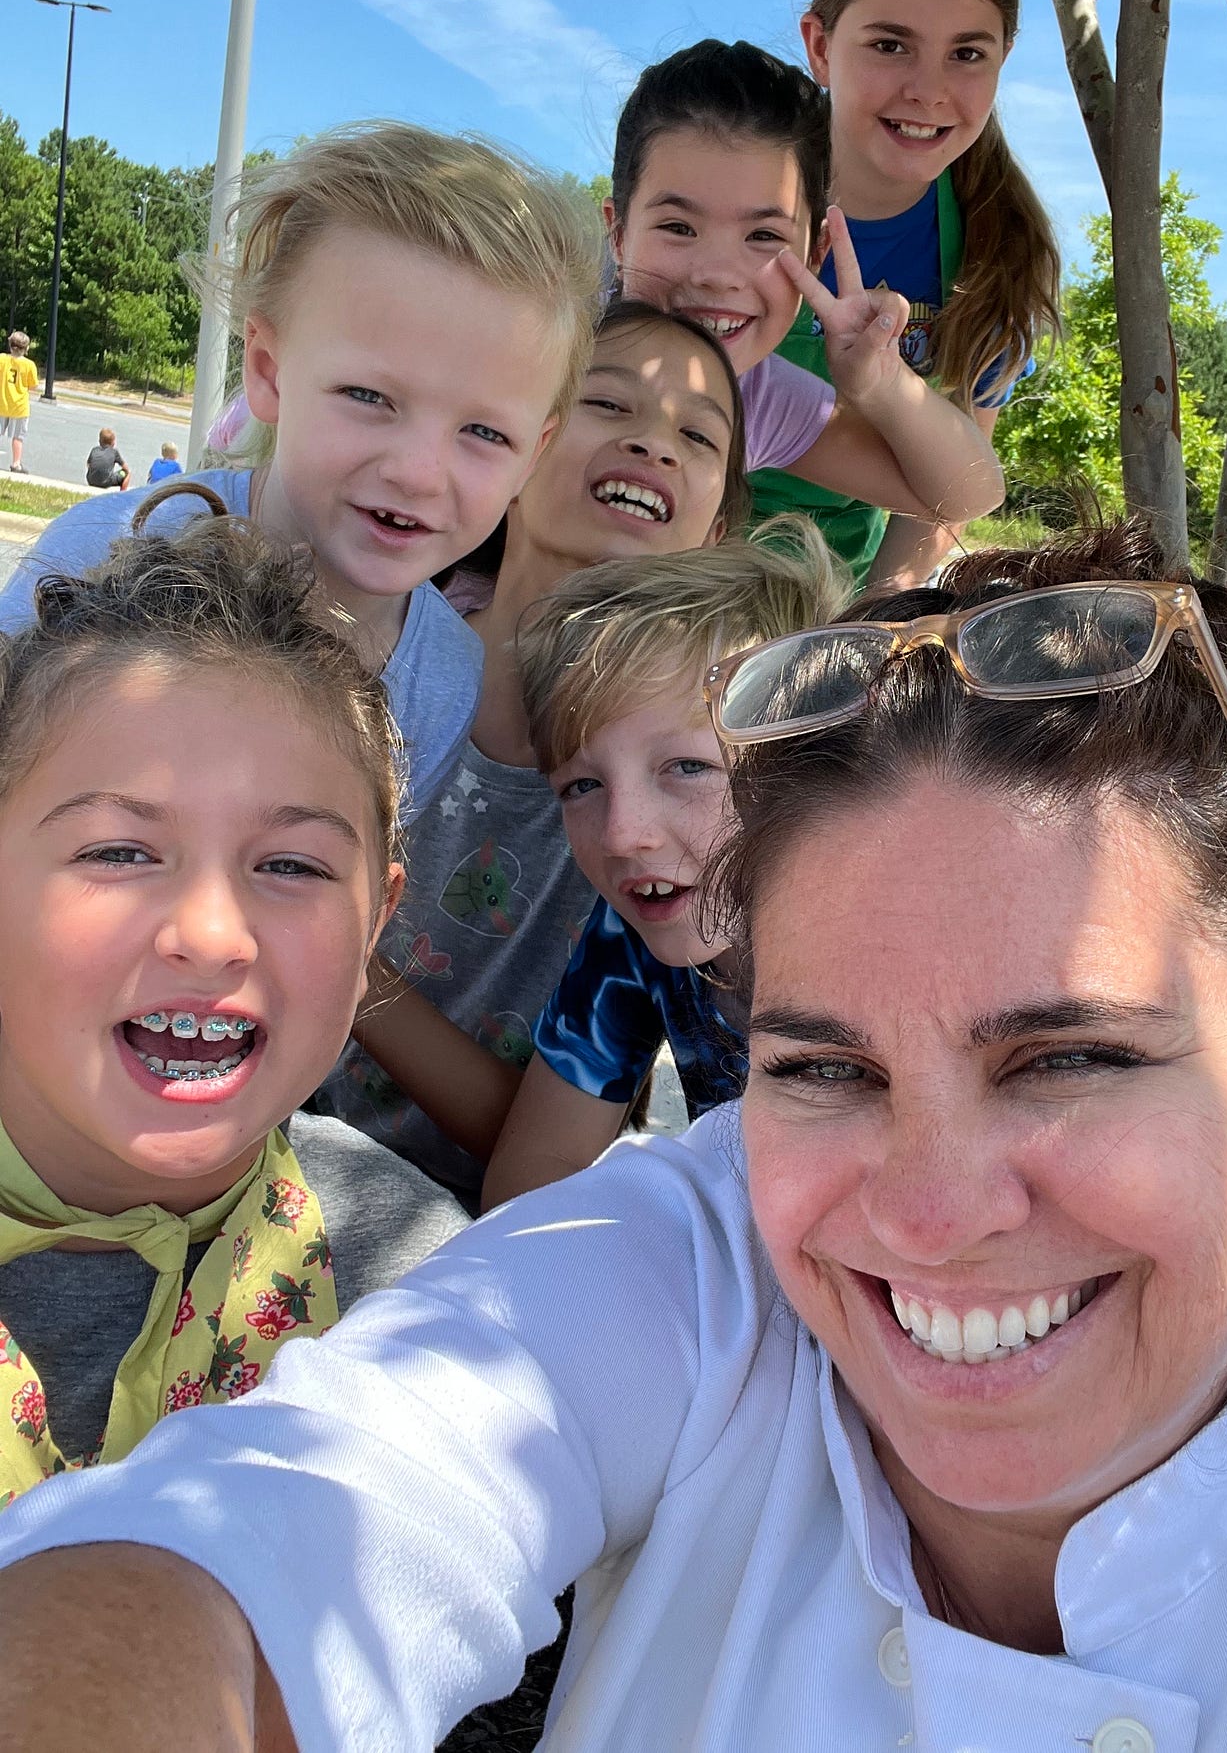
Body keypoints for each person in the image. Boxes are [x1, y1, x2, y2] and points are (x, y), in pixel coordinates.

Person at [12, 528, 1227, 1753]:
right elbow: (279, 1527)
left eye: (1068, 1058)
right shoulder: (698, 1273)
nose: (934, 1213)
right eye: (824, 1068)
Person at [0, 484, 467, 1511]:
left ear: (375, 927)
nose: (211, 935)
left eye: (292, 866)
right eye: (120, 851)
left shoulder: (417, 1286)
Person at [0, 122, 601, 819]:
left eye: (486, 432)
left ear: (534, 454)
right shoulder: (97, 552)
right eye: (368, 396)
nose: (419, 474)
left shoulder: (444, 681)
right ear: (268, 370)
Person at [316, 299, 752, 1198]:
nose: (653, 443)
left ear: (715, 535)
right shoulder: (360, 662)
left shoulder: (690, 829)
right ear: (508, 452)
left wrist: (341, 963)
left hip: (461, 1220)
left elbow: (541, 1144)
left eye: (697, 436)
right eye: (608, 403)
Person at [471, 520, 847, 1210]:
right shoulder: (631, 937)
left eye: (688, 767)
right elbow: (531, 1174)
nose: (623, 835)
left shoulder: (894, 960)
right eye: (582, 785)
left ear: (813, 765)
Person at [606, 40, 1005, 586]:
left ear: (816, 255)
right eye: (679, 228)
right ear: (617, 234)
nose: (718, 274)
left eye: (763, 236)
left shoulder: (757, 397)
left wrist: (881, 385)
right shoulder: (550, 353)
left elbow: (970, 491)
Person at [762, 0, 1061, 591]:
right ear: (820, 46)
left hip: (832, 596)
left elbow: (944, 502)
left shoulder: (997, 251)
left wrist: (865, 634)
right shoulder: (728, 178)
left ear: (1003, 60)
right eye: (891, 45)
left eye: (967, 54)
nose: (928, 92)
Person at [0, 330, 40, 473]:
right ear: (26, 348)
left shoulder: (2, 359)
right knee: (18, 437)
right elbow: (33, 386)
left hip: (2, 403)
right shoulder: (29, 365)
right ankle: (16, 463)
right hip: (19, 407)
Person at [86, 427, 130, 491]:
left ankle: (96, 479)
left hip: (91, 481)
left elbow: (88, 464)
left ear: (99, 441)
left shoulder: (94, 450)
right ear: (113, 442)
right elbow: (125, 468)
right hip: (105, 483)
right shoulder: (114, 452)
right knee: (127, 473)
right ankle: (122, 493)